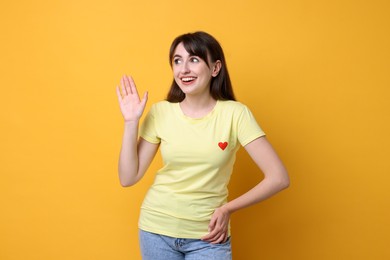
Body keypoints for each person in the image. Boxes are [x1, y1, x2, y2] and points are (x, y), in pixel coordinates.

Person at [116, 31, 289, 260]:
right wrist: (131, 123)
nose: (184, 69)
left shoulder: (235, 115)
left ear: (215, 68)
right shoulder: (161, 112)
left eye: (194, 60)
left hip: (209, 237)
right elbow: (128, 178)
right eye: (177, 61)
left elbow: (279, 177)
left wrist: (228, 209)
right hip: (156, 229)